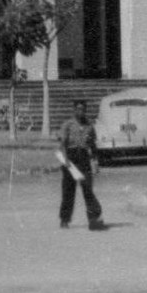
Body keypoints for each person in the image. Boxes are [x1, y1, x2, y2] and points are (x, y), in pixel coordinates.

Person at [57, 99, 105, 231]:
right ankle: (64, 219)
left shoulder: (90, 126)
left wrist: (95, 161)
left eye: (83, 109)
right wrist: (65, 161)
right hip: (70, 159)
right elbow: (62, 145)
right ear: (74, 110)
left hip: (83, 159)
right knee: (68, 191)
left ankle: (93, 219)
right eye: (78, 109)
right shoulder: (67, 125)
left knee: (88, 190)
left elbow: (93, 145)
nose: (80, 112)